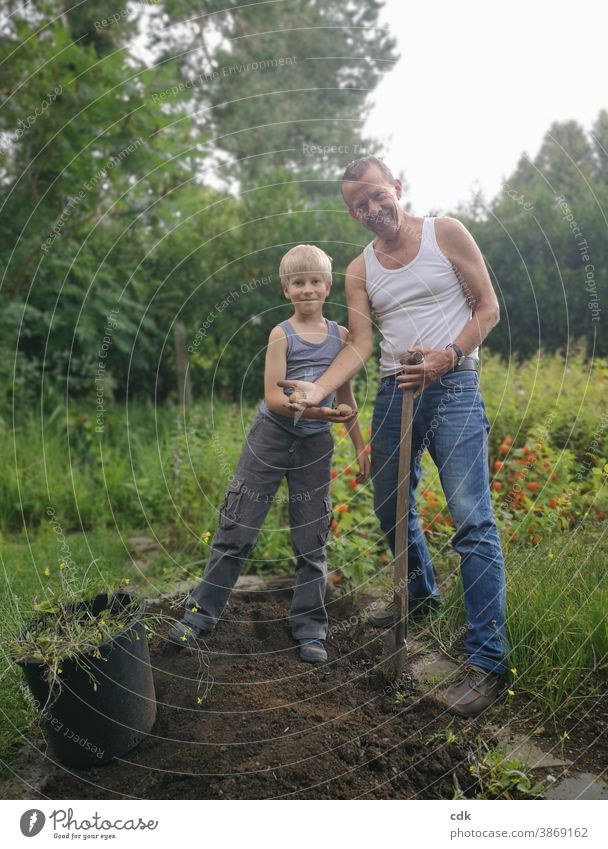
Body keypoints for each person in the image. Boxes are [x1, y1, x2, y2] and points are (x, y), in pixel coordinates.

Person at [279, 157, 509, 714]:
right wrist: (319, 389)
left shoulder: (445, 233)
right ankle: (422, 593)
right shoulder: (361, 269)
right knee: (389, 506)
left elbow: (488, 309)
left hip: (453, 386)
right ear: (352, 212)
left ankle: (487, 663)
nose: (372, 210)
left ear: (397, 188)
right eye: (360, 205)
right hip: (391, 392)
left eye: (378, 196)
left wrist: (447, 356)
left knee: (471, 520)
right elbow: (358, 343)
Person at [168, 244, 369, 663]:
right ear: (286, 289)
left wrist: (357, 440)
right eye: (299, 282)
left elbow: (345, 395)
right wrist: (315, 408)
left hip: (315, 444)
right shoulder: (281, 334)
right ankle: (199, 615)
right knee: (237, 527)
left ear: (328, 286)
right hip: (271, 436)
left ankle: (311, 629)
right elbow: (274, 397)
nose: (308, 289)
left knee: (311, 538)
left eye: (315, 281)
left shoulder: (342, 337)